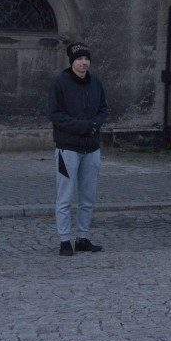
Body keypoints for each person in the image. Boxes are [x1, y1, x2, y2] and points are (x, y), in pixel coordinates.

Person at [49, 42, 109, 256]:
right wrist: (83, 127)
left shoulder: (95, 83)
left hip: (92, 148)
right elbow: (56, 115)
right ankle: (65, 240)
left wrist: (95, 125)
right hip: (68, 148)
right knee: (65, 196)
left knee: (88, 196)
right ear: (72, 61)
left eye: (86, 59)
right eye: (79, 59)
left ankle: (82, 237)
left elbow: (103, 108)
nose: (83, 62)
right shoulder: (60, 83)